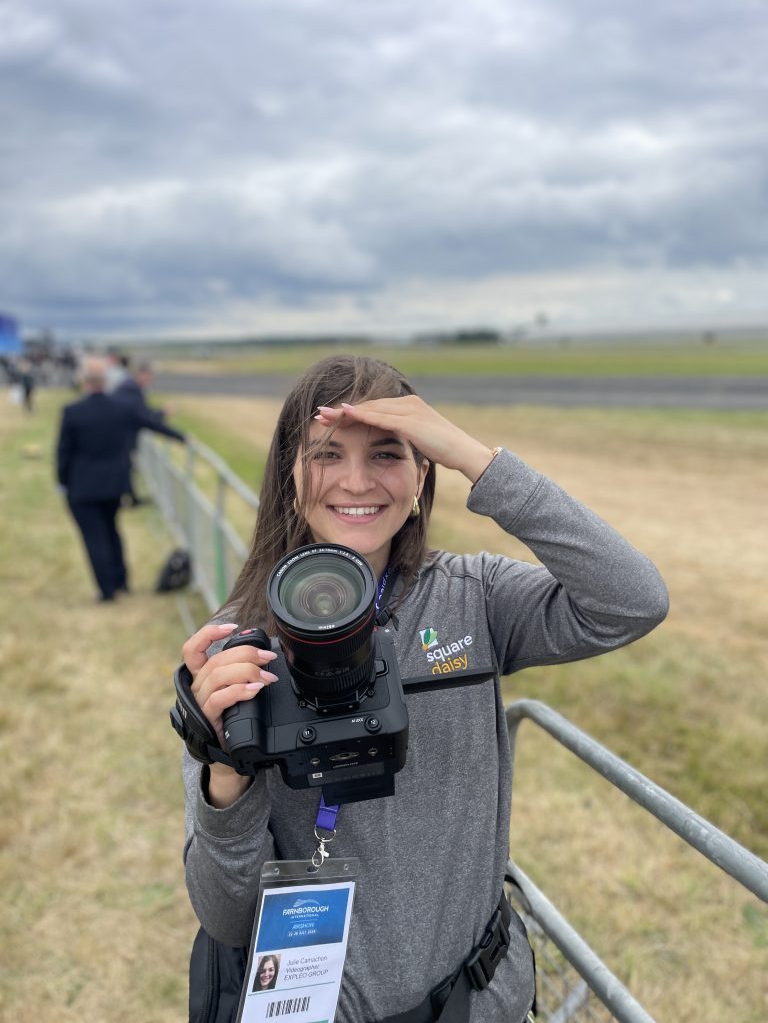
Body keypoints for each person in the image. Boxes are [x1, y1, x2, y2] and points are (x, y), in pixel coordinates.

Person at [180, 355, 669, 1023]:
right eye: (327, 454)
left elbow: (632, 602)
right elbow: (227, 917)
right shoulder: (238, 652)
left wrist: (478, 459)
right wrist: (223, 774)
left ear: (421, 475)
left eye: (388, 454)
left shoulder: (476, 600)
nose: (356, 480)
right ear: (290, 477)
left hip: (478, 999)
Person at [56, 356, 187, 602]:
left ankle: (107, 591)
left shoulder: (73, 412)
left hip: (82, 487)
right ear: (105, 382)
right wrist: (181, 437)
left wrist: (62, 482)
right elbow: (151, 422)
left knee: (94, 538)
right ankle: (121, 582)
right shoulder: (121, 408)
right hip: (114, 485)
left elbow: (63, 453)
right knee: (112, 531)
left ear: (84, 381)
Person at [112, 360, 177, 506]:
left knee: (125, 468)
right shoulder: (131, 391)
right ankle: (127, 500)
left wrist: (160, 414)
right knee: (123, 468)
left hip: (120, 437)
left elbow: (143, 416)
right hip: (120, 438)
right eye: (149, 376)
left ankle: (130, 499)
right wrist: (180, 437)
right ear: (141, 374)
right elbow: (146, 419)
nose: (151, 380)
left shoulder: (129, 388)